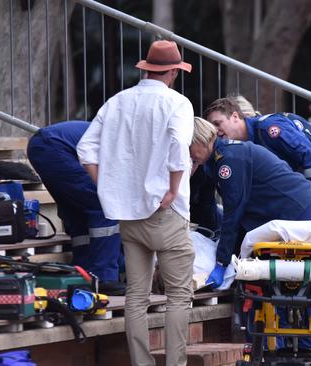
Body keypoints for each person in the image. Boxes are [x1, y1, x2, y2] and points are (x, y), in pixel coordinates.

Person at [77, 40, 194, 366]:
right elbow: (177, 147)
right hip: (166, 209)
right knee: (179, 296)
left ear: (146, 68)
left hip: (127, 212)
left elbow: (85, 148)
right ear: (172, 71)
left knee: (136, 296)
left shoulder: (117, 101)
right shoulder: (178, 103)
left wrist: (109, 186)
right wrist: (171, 190)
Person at [204, 98, 311, 248]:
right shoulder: (242, 148)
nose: (215, 131)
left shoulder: (269, 130)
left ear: (235, 117)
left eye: (218, 123)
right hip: (307, 206)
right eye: (211, 127)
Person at [190, 117, 311, 288]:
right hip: (285, 206)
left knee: (279, 281)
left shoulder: (228, 160)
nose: (188, 152)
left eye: (189, 145)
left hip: (294, 209)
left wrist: (221, 263)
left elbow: (233, 213)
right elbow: (210, 206)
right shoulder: (217, 158)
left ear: (201, 140)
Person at [27, 121, 124, 295]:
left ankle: (82, 273)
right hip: (57, 147)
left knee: (77, 211)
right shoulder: (132, 147)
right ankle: (104, 277)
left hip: (43, 145)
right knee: (104, 206)